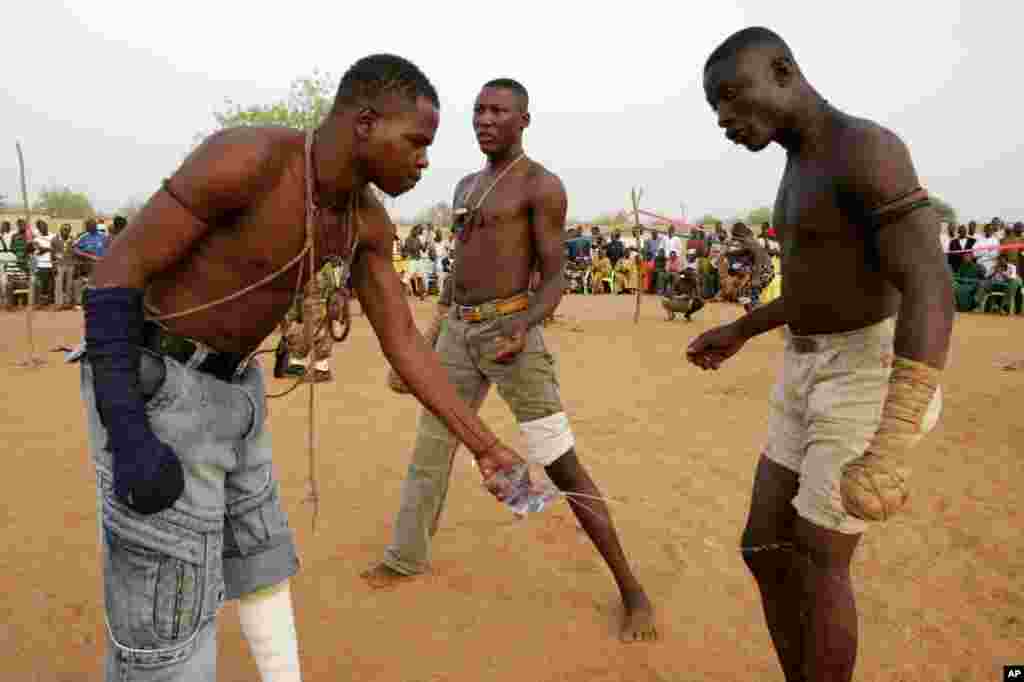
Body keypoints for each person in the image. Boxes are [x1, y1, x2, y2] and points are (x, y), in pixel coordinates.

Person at [72, 54, 530, 682]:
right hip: (154, 388)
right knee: (166, 610)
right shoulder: (249, 160)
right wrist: (127, 432)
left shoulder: (364, 222)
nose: (424, 160)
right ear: (365, 123)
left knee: (261, 558)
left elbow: (404, 344)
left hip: (234, 393)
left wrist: (487, 447)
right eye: (417, 142)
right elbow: (112, 276)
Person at [689, 28, 952, 682]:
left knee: (817, 559)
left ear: (783, 71)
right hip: (804, 367)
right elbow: (820, 280)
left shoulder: (864, 149)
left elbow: (928, 282)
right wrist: (744, 328)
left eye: (731, 96)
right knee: (764, 546)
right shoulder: (798, 164)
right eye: (713, 106)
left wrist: (891, 438)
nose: (723, 118)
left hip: (868, 371)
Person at [368, 77, 656, 643]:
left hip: (512, 334)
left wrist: (524, 326)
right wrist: (430, 337)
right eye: (478, 110)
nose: (485, 119)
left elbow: (555, 278)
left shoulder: (541, 186)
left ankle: (632, 591)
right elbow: (456, 273)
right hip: (459, 333)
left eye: (499, 110)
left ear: (524, 120)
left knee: (559, 459)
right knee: (433, 445)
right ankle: (405, 557)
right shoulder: (466, 187)